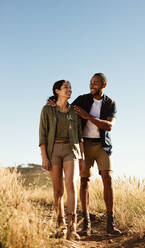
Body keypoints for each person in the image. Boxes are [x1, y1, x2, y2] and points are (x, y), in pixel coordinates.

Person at [48, 73, 121, 236]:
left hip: (103, 146)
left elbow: (109, 126)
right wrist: (52, 101)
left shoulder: (110, 103)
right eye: (91, 83)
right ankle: (86, 224)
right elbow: (65, 107)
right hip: (84, 144)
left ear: (104, 85)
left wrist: (87, 116)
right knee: (84, 181)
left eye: (95, 83)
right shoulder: (82, 99)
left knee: (108, 179)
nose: (92, 85)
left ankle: (111, 223)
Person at [39, 80, 85, 240]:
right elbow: (42, 135)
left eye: (70, 87)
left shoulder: (74, 111)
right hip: (53, 151)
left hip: (71, 150)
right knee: (58, 190)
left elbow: (79, 136)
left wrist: (82, 157)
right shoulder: (47, 109)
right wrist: (44, 156)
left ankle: (73, 228)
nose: (69, 90)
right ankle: (61, 226)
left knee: (71, 185)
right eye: (66, 87)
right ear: (57, 91)